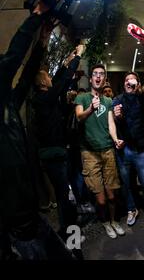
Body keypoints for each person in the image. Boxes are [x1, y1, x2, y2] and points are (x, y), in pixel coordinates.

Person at [0, 0, 75, 259]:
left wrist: (42, 41)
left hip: (29, 211)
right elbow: (11, 60)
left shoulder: (9, 103)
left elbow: (23, 75)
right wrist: (36, 15)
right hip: (15, 222)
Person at [32, 45, 85, 239]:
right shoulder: (45, 99)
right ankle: (69, 234)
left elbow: (58, 78)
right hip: (53, 153)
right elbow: (61, 82)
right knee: (64, 196)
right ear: (43, 83)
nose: (50, 78)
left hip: (54, 152)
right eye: (47, 77)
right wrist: (78, 57)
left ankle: (69, 226)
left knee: (64, 193)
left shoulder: (43, 98)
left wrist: (65, 62)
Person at [75, 65, 126, 239]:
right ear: (91, 79)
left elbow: (111, 123)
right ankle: (105, 222)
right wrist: (91, 108)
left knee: (112, 195)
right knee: (101, 199)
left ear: (104, 80)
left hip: (108, 151)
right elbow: (79, 117)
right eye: (95, 74)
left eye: (101, 75)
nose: (98, 77)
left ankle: (113, 221)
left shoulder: (108, 101)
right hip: (89, 153)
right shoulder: (81, 97)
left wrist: (115, 139)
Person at [113, 72, 144, 229]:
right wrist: (116, 116)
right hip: (124, 150)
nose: (129, 82)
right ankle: (131, 209)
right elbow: (115, 120)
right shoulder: (118, 100)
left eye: (132, 80)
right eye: (126, 80)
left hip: (141, 150)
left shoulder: (142, 99)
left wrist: (139, 89)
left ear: (137, 84)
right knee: (126, 184)